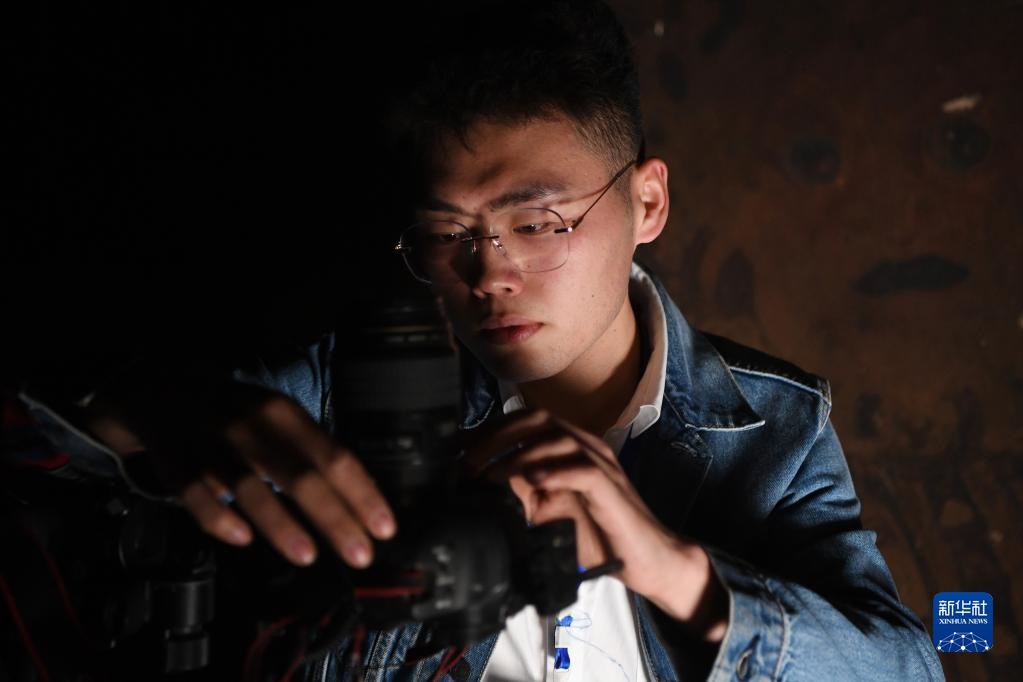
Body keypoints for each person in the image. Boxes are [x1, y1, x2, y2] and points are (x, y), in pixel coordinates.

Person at [7, 1, 943, 680]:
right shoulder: (354, 391)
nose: (486, 272)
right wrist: (152, 414)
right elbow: (51, 462)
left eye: (536, 222)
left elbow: (911, 665)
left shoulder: (771, 424)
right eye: (446, 233)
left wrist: (664, 563)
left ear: (647, 202)